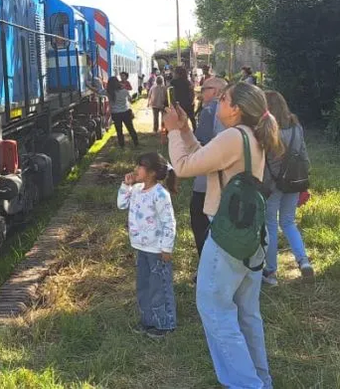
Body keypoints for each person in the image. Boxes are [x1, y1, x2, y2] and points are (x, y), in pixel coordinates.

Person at [164, 82, 282, 388]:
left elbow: (183, 166)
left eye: (223, 98)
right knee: (247, 314)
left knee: (214, 308)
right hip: (249, 234)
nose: (218, 101)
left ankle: (247, 385)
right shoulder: (249, 135)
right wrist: (187, 131)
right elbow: (204, 157)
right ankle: (260, 380)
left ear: (236, 108)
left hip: (227, 236)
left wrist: (174, 132)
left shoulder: (232, 135)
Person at [117, 152, 178, 339]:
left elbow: (169, 222)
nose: (136, 169)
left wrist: (167, 248)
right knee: (144, 285)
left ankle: (165, 322)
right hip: (141, 247)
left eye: (140, 166)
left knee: (159, 286)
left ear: (151, 172)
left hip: (157, 250)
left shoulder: (160, 194)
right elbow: (121, 204)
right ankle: (148, 320)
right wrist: (125, 185)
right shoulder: (135, 189)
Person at [261, 90, 313, 286]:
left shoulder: (267, 129)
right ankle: (303, 261)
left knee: (271, 225)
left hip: (272, 184)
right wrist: (305, 177)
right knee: (289, 222)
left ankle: (271, 271)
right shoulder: (295, 125)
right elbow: (303, 153)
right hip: (293, 180)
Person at [190, 76, 227, 258]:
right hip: (227, 176)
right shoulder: (233, 110)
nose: (201, 92)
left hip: (207, 177)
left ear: (215, 91)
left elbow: (200, 142)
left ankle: (205, 263)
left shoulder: (210, 110)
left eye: (205, 88)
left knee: (200, 221)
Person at [107, 76, 139, 148]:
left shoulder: (109, 93)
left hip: (115, 114)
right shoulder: (124, 91)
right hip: (125, 112)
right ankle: (136, 143)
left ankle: (122, 145)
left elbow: (97, 91)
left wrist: (88, 86)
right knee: (131, 128)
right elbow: (131, 100)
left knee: (119, 131)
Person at [169, 66, 196, 132]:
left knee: (178, 119)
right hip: (188, 103)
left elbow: (170, 93)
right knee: (192, 118)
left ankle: (179, 131)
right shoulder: (187, 82)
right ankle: (195, 130)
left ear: (177, 73)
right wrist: (192, 100)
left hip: (178, 104)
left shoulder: (173, 82)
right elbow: (192, 92)